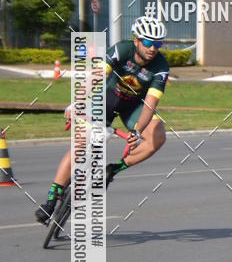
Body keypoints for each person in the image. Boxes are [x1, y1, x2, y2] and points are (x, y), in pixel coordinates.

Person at [34, 16, 169, 224]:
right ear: (137, 41)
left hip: (133, 107)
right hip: (107, 98)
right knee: (81, 142)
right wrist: (77, 102)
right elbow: (96, 76)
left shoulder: (161, 66)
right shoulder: (122, 50)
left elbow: (150, 103)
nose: (153, 48)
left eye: (158, 44)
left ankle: (112, 170)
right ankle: (52, 199)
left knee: (158, 134)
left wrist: (138, 131)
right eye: (149, 42)